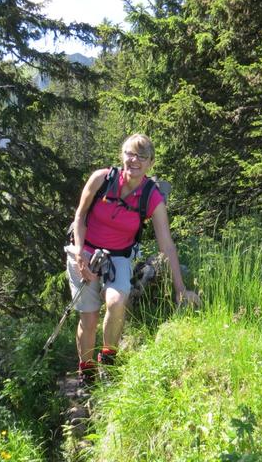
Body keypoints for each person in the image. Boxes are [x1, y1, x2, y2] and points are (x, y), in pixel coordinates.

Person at [65, 133, 200, 386]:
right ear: (122, 155)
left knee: (117, 302)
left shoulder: (152, 197)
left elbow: (166, 245)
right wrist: (80, 254)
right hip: (85, 251)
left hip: (118, 256)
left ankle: (108, 361)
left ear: (151, 163)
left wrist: (180, 289)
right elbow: (80, 217)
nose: (134, 160)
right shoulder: (101, 179)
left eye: (142, 156)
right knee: (89, 319)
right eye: (130, 153)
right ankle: (87, 371)